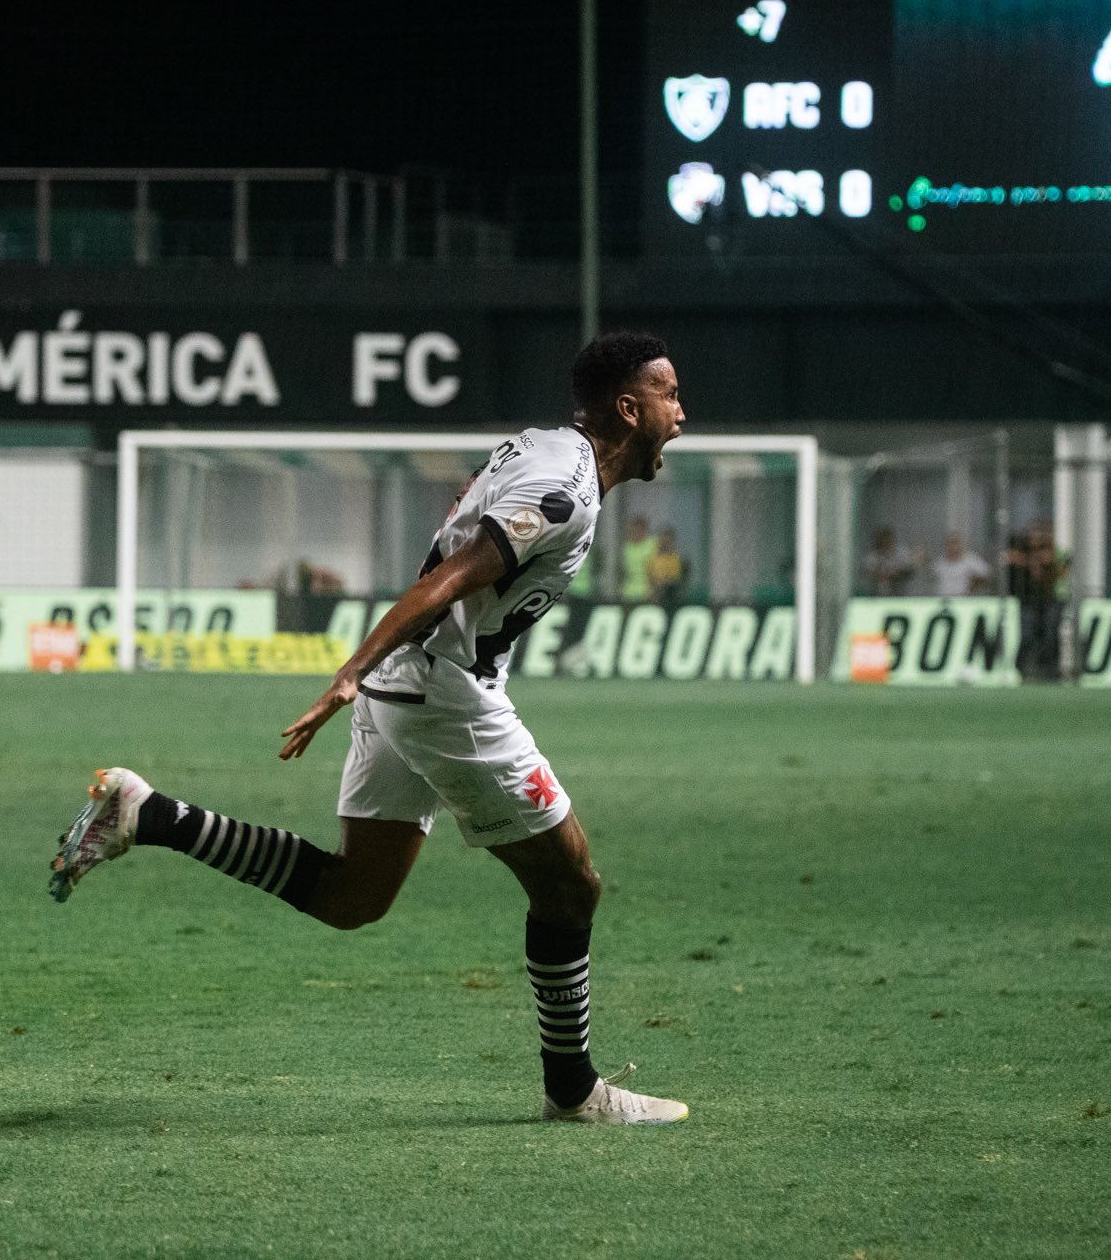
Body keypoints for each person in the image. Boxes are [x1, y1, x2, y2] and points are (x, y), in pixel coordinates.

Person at [51, 329, 691, 1126]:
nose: (681, 413)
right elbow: (454, 578)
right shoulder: (563, 492)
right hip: (444, 694)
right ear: (629, 410)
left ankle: (148, 814)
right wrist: (350, 670)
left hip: (406, 688)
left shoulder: (547, 450)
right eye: (669, 396)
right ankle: (574, 1089)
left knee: (353, 895)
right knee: (571, 884)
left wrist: (370, 673)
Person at [1007, 519, 1069, 680]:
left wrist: (1026, 560)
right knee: (1027, 635)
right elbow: (1010, 558)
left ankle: (1049, 669)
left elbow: (1057, 567)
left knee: (1050, 635)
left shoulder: (1054, 552)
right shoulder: (1023, 549)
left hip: (1050, 599)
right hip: (1029, 599)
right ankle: (1022, 668)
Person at [931, 532, 992, 597]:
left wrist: (974, 584)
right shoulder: (939, 563)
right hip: (942, 600)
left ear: (961, 545)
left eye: (955, 543)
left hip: (964, 601)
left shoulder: (971, 560)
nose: (953, 547)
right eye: (949, 544)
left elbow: (988, 575)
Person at [862, 527, 916, 595]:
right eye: (882, 540)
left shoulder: (902, 552)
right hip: (878, 591)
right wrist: (882, 574)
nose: (885, 542)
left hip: (901, 588)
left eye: (888, 540)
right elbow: (869, 573)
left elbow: (910, 569)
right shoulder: (873, 556)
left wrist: (896, 573)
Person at [647, 526, 689, 609]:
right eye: (663, 539)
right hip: (655, 600)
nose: (665, 542)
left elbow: (676, 579)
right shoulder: (652, 559)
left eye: (668, 539)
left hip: (672, 600)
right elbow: (650, 579)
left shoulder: (677, 560)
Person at [617, 515, 656, 601]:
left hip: (646, 591)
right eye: (634, 529)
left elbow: (654, 569)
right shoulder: (626, 547)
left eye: (640, 529)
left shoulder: (652, 544)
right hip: (628, 591)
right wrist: (620, 588)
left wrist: (652, 590)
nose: (637, 532)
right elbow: (621, 570)